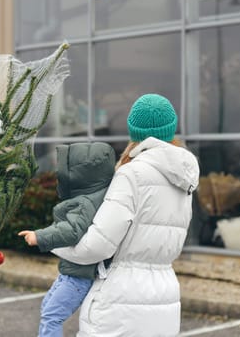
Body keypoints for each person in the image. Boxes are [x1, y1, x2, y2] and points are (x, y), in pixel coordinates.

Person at [51, 93, 200, 337]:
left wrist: (53, 240)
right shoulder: (184, 179)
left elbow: (97, 246)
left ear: (134, 132)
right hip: (165, 300)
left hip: (120, 304)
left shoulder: (131, 175)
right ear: (171, 130)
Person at [18, 141, 116, 337]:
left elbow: (72, 230)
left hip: (78, 277)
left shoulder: (85, 202)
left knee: (52, 316)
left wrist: (40, 236)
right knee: (47, 307)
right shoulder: (96, 196)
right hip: (71, 273)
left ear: (80, 174)